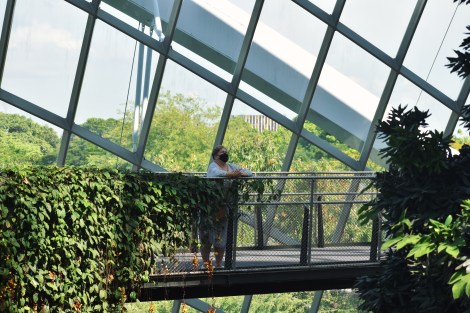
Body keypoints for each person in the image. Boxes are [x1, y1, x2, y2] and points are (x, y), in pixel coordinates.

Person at [199, 145, 252, 268]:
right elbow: (217, 174)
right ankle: (206, 264)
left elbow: (249, 172)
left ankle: (218, 264)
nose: (225, 154)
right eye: (222, 152)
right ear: (215, 156)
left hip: (224, 207)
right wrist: (231, 175)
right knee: (207, 236)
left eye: (226, 152)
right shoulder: (213, 167)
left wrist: (240, 174)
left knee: (220, 236)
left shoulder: (232, 166)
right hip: (210, 206)